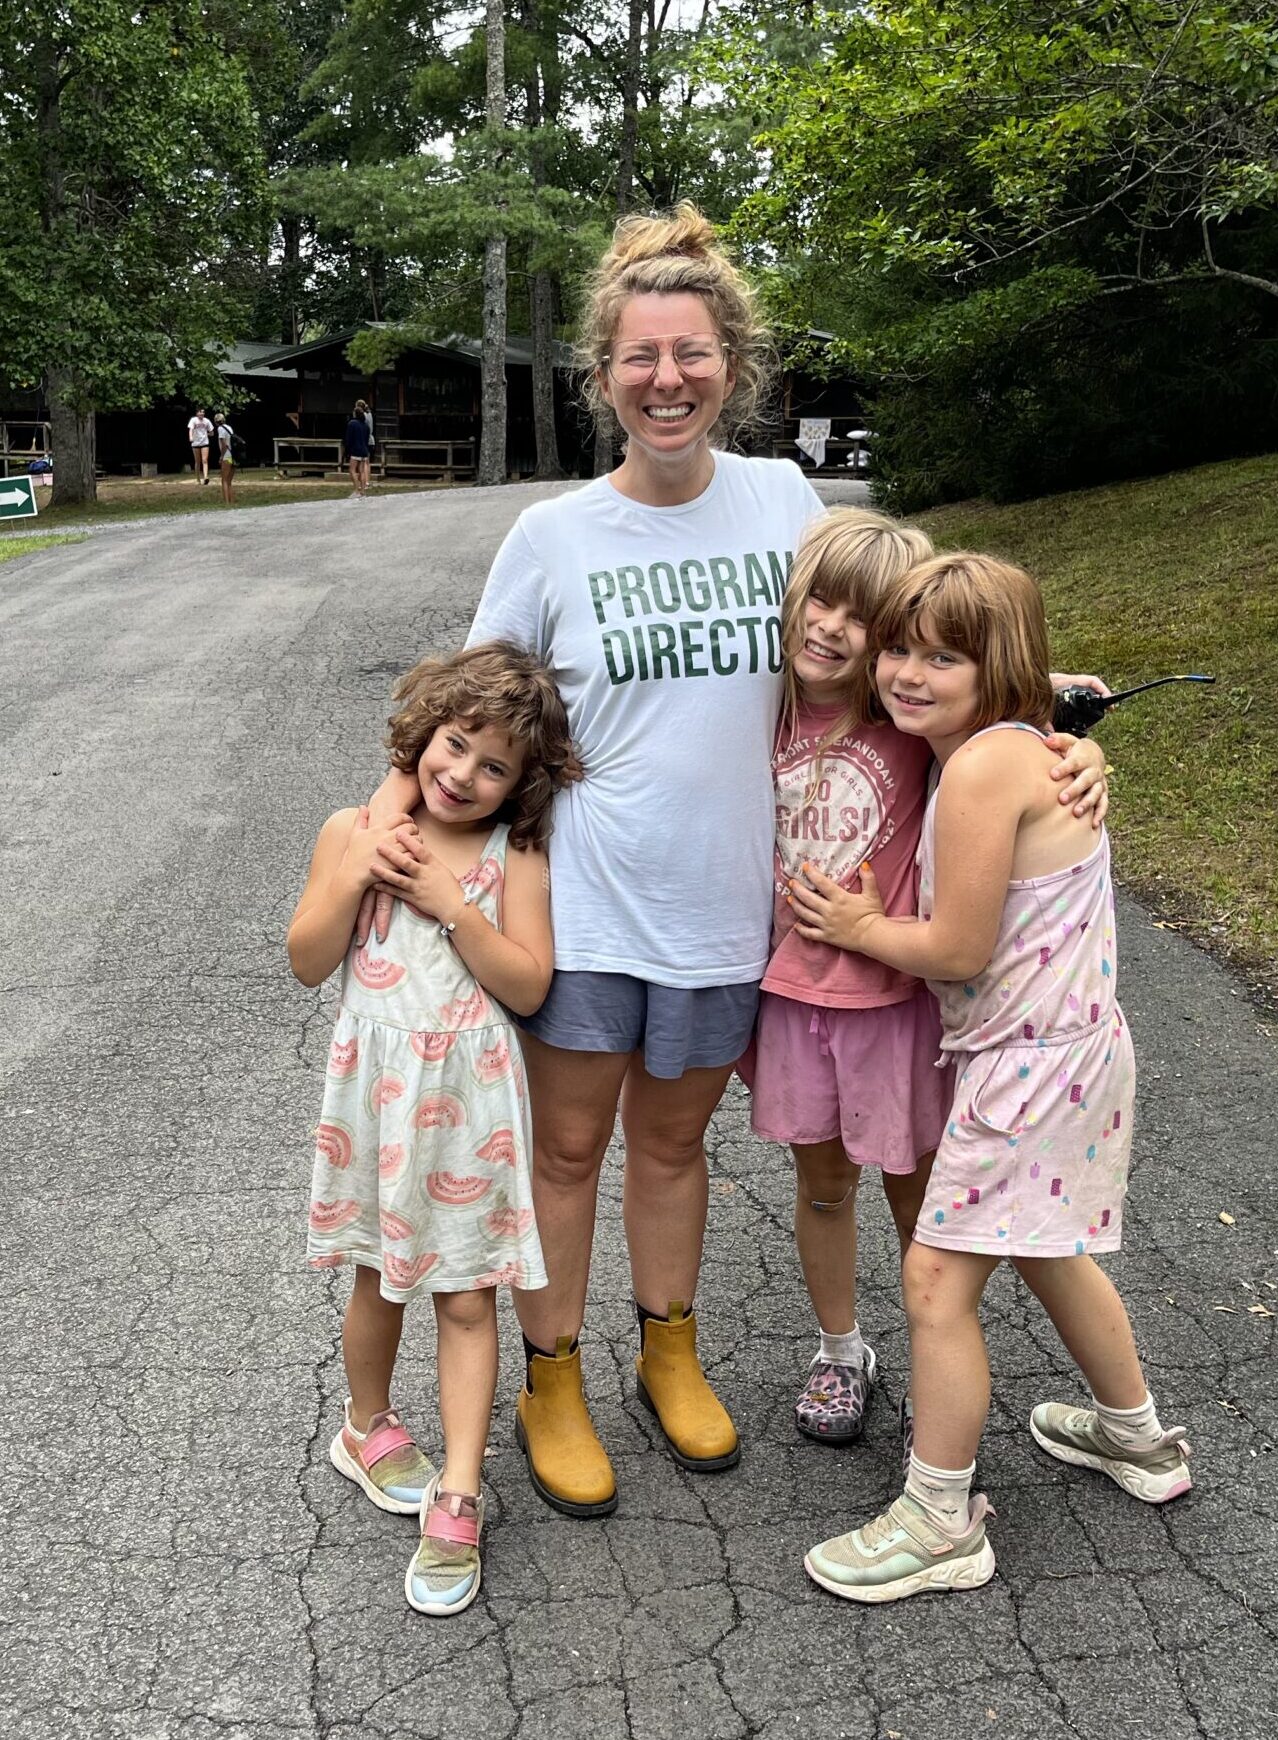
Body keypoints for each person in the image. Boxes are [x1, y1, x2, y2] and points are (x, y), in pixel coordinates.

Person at [362, 202, 826, 1517]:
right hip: (578, 909)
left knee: (673, 1149)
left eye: (692, 353)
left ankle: (668, 1355)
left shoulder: (786, 505)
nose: (667, 379)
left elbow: (903, 643)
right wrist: (381, 827)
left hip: (726, 904)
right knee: (565, 1156)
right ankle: (551, 1378)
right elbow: (464, 709)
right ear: (603, 375)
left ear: (731, 363)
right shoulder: (553, 538)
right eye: (640, 357)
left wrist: (1031, 717)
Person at [791, 552, 1190, 1605]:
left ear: (994, 667)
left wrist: (857, 927)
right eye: (897, 650)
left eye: (941, 659)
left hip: (1026, 1066)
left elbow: (958, 948)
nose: (906, 675)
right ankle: (1137, 1439)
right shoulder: (1018, 746)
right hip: (1075, 1047)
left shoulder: (978, 771)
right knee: (1047, 1250)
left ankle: (939, 1520)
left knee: (934, 1281)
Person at [740, 510, 1109, 1447]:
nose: (832, 630)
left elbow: (1008, 693)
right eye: (819, 601)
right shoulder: (762, 705)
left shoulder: (903, 719)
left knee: (918, 1195)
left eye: (863, 620)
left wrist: (1081, 742)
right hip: (793, 993)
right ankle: (839, 1351)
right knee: (822, 1183)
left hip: (899, 1002)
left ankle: (932, 1374)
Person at [288, 642, 580, 1615]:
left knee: (465, 1296)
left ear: (520, 784)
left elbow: (529, 985)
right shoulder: (356, 830)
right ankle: (365, 1425)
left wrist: (453, 907)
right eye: (455, 744)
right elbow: (306, 959)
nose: (463, 774)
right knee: (377, 1277)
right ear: (424, 733)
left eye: (494, 766)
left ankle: (458, 1491)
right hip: (376, 1100)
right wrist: (356, 873)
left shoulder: (513, 856)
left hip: (470, 1109)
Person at [346, 407, 372, 497]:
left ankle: (357, 490)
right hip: (364, 450)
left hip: (355, 450)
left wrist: (347, 450)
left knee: (352, 470)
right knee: (362, 471)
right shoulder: (366, 426)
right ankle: (363, 492)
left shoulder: (352, 423)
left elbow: (349, 438)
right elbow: (366, 439)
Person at [213, 414, 236, 505]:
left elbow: (224, 445)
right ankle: (232, 501)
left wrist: (221, 457)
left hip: (227, 456)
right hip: (233, 456)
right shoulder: (229, 428)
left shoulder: (220, 429)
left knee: (224, 480)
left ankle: (226, 502)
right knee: (229, 481)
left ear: (216, 422)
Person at [187, 408, 213, 483]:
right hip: (195, 443)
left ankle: (205, 477)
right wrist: (191, 437)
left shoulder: (207, 421)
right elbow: (191, 429)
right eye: (200, 412)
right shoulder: (193, 420)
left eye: (203, 412)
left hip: (205, 442)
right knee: (197, 461)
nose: (202, 413)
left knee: (205, 460)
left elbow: (212, 432)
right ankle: (198, 479)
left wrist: (207, 434)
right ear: (197, 413)